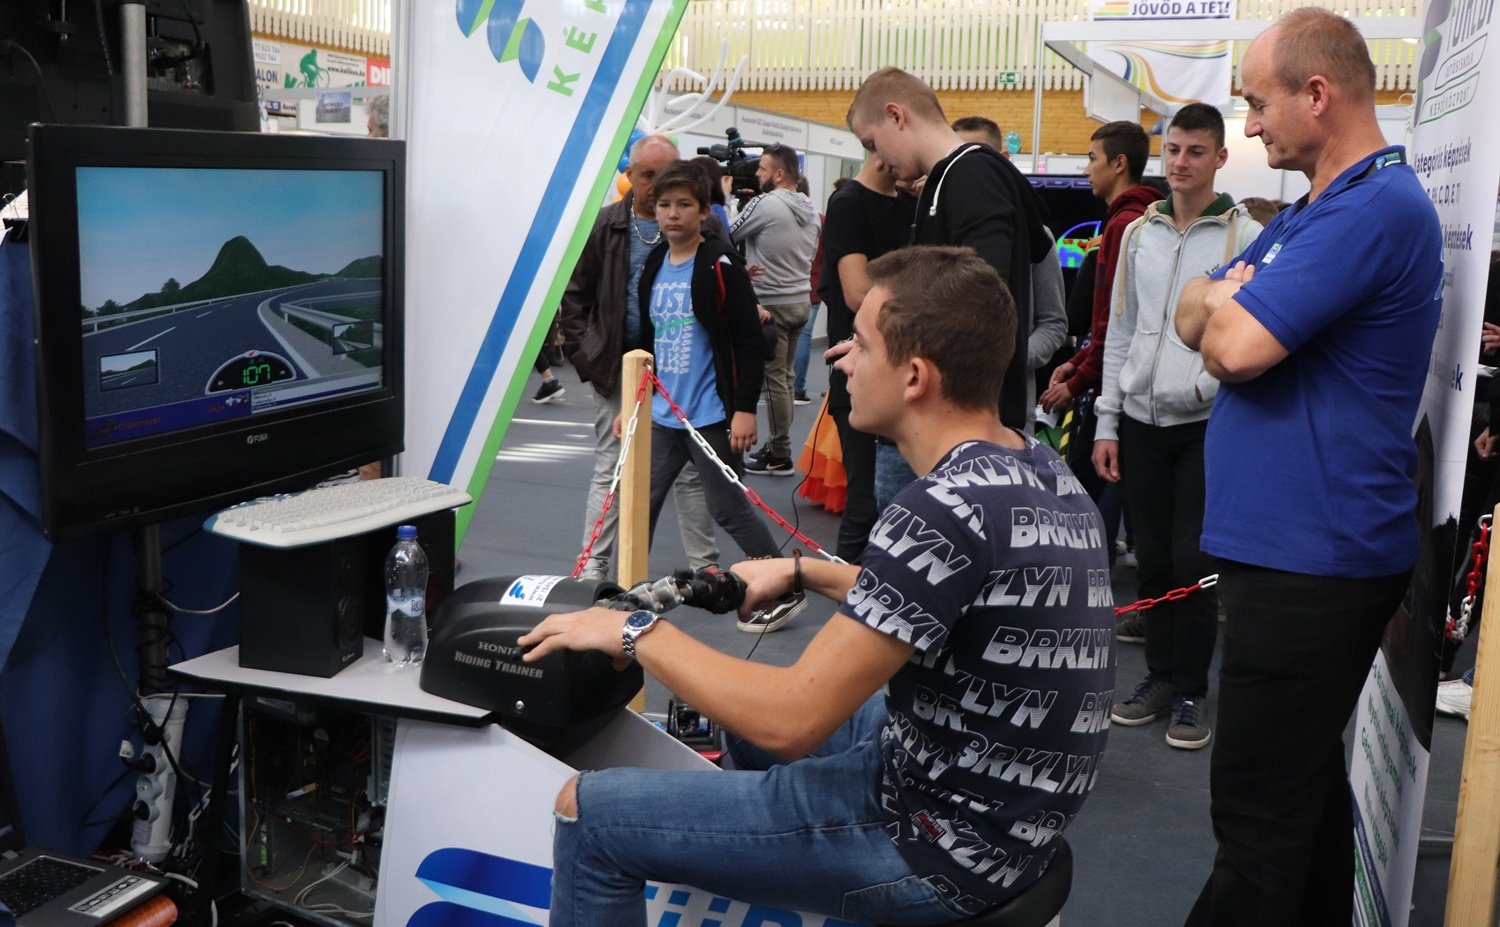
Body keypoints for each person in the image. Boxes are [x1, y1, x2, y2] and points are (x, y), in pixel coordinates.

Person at [519, 245, 1114, 926]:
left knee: (589, 811)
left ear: (914, 376)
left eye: (860, 343)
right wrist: (804, 569)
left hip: (930, 844)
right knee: (739, 726)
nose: (842, 359)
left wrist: (633, 630)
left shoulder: (942, 508)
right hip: (1005, 820)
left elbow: (791, 720)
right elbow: (951, 596)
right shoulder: (1037, 467)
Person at [1173, 9, 1443, 922]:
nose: (1249, 127)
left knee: (1257, 823)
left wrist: (1222, 304)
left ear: (1316, 94)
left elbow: (1232, 345)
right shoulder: (1316, 209)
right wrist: (1216, 297)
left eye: (1257, 104)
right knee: (1301, 798)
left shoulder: (1371, 207)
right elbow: (1190, 309)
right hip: (1292, 554)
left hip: (1312, 562)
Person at [1092, 103, 1263, 751]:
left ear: (1220, 157)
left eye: (1195, 151)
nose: (1181, 162)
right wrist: (1107, 421)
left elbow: (1253, 334)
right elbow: (1122, 331)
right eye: (1173, 150)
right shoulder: (1140, 233)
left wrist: (1207, 386)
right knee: (1154, 559)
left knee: (1194, 562)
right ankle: (1159, 677)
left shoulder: (1245, 236)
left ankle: (1192, 689)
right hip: (1140, 419)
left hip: (1205, 422)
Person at [846, 67, 1049, 510]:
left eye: (872, 143)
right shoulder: (952, 180)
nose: (877, 162)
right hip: (942, 424)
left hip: (953, 429)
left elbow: (980, 303)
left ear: (896, 115)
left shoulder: (972, 177)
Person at [626, 161, 806, 633]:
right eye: (665, 205)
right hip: (663, 415)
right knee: (638, 502)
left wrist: (744, 410)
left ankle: (783, 586)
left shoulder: (719, 264)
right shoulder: (653, 265)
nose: (673, 214)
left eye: (684, 205)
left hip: (708, 416)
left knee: (728, 508)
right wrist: (636, 405)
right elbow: (647, 340)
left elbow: (748, 341)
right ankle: (624, 591)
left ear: (704, 211)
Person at [558, 134, 721, 583]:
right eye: (649, 175)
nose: (659, 184)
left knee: (691, 470)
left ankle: (704, 565)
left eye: (667, 173)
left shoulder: (706, 226)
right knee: (612, 464)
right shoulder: (605, 225)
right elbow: (573, 295)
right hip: (617, 367)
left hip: (685, 367)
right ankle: (593, 563)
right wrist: (589, 357)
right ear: (629, 176)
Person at [1041, 120, 1163, 611]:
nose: (1086, 169)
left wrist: (1081, 378)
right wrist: (1080, 363)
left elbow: (1114, 321)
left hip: (1115, 385)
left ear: (1119, 163)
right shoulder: (1137, 219)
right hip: (1117, 378)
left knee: (1089, 487)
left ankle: (1084, 588)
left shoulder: (1122, 225)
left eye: (1092, 158)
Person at [819, 160, 915, 562]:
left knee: (900, 500)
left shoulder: (909, 203)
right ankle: (849, 595)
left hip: (901, 373)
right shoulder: (848, 203)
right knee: (865, 500)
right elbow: (858, 294)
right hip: (861, 372)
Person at [951, 117, 1067, 428]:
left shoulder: (1035, 236)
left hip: (1010, 411)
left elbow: (1053, 323)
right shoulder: (940, 227)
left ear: (1002, 161)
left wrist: (1010, 358)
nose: (969, 171)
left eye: (978, 157)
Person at [731, 145, 821, 476]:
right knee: (785, 378)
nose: (756, 174)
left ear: (779, 174)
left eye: (763, 169)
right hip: (800, 301)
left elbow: (728, 232)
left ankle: (780, 452)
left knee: (775, 382)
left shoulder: (767, 203)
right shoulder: (810, 209)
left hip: (771, 304)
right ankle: (778, 448)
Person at [791, 175, 826, 407]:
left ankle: (776, 385)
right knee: (804, 336)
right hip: (812, 285)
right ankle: (798, 389)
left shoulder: (781, 220)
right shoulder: (820, 220)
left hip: (786, 286)